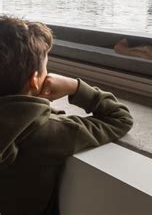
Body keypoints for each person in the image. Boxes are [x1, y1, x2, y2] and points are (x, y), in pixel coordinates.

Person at [0, 15, 133, 215]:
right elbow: (120, 118)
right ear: (35, 80)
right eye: (46, 67)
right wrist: (75, 87)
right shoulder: (53, 133)